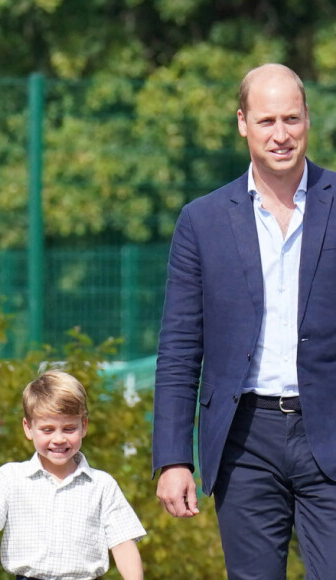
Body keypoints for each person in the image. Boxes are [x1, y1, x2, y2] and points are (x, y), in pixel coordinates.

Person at [153, 62, 336, 579]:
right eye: (266, 121)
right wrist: (173, 458)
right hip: (243, 440)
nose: (281, 135)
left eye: (292, 119)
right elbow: (180, 347)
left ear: (308, 121)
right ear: (242, 123)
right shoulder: (202, 221)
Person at [0, 369, 145, 580]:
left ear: (84, 426)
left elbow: (123, 543)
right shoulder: (10, 477)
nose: (59, 439)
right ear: (28, 428)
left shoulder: (102, 485)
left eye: (69, 428)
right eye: (48, 429)